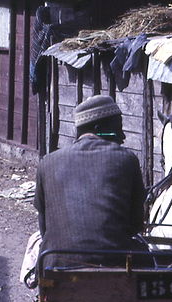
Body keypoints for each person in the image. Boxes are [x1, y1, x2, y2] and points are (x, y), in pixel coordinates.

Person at [34, 95, 146, 268]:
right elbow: (136, 223)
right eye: (117, 128)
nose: (122, 136)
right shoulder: (127, 159)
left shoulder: (47, 162)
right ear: (97, 128)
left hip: (56, 264)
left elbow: (44, 227)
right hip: (116, 264)